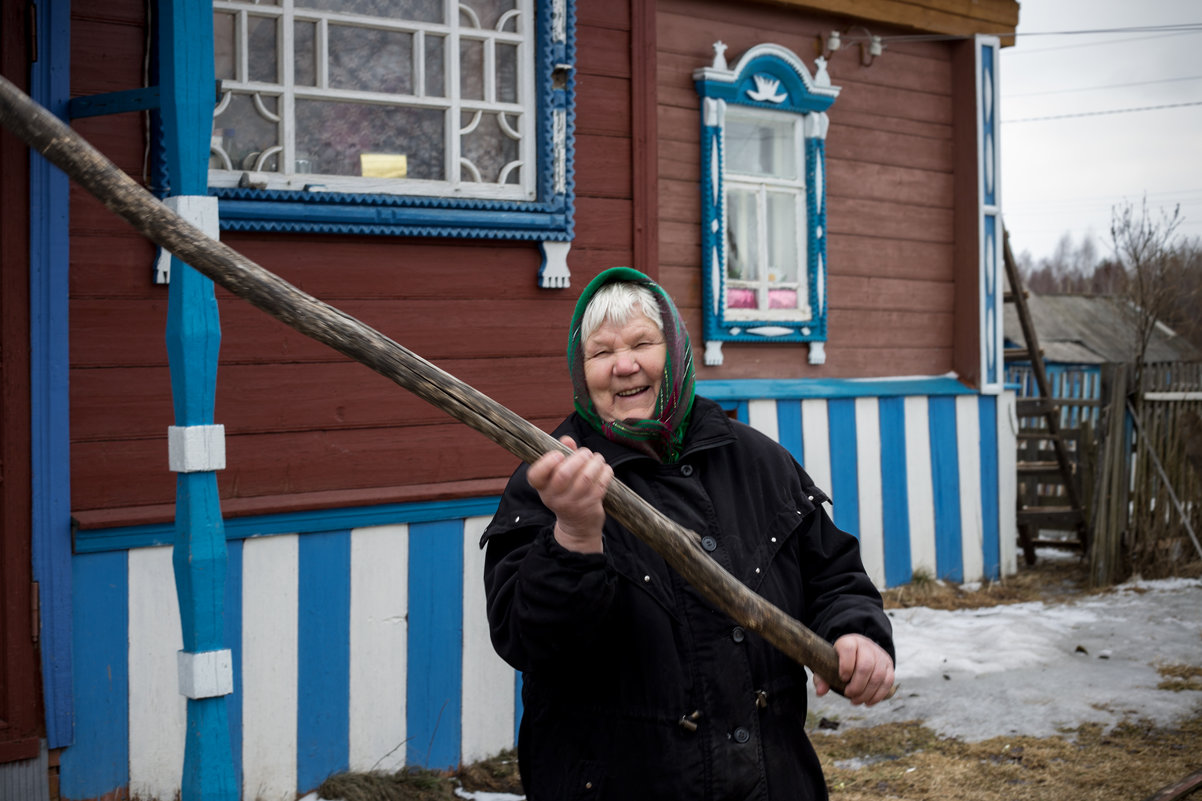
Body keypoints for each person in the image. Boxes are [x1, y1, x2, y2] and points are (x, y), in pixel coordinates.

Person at [481, 267, 894, 801]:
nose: (623, 365)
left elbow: (833, 575)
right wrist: (576, 536)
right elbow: (529, 640)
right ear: (582, 374)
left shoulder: (756, 459)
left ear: (675, 351)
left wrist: (857, 632)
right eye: (601, 353)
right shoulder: (556, 477)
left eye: (641, 343)